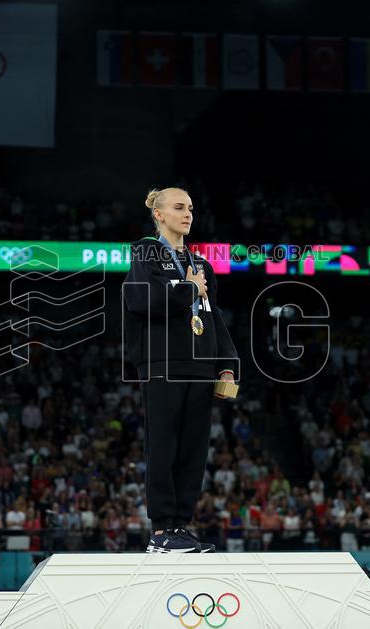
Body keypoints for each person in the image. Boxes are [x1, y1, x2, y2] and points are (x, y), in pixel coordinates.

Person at [124, 187, 239, 553]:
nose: (187, 214)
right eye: (178, 207)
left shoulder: (201, 265)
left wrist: (226, 364)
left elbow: (212, 317)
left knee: (194, 449)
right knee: (163, 445)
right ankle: (161, 531)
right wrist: (187, 289)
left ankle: (180, 528)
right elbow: (140, 299)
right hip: (163, 364)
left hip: (200, 366)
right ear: (159, 214)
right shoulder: (146, 253)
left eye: (190, 207)